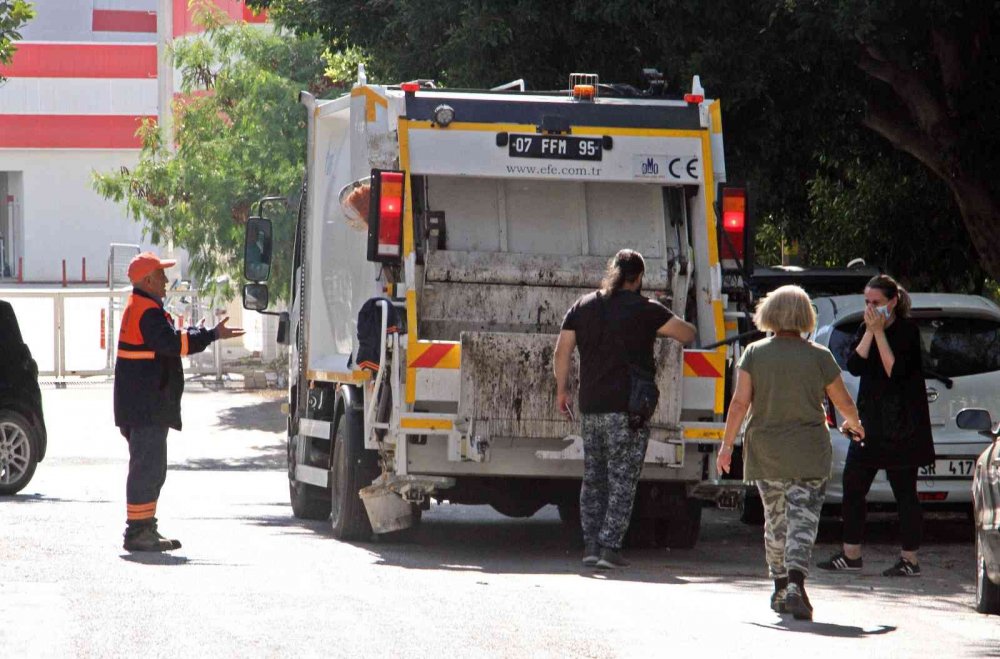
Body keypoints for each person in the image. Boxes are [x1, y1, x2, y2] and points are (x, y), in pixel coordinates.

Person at [717, 285, 864, 621]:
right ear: (804, 317)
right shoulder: (819, 356)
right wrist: (855, 424)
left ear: (769, 314)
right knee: (803, 520)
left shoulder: (754, 353)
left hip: (766, 451)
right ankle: (796, 584)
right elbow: (843, 403)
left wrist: (726, 447)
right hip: (809, 452)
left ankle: (780, 585)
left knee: (776, 519)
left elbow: (740, 403)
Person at [553, 249, 696, 570]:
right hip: (628, 410)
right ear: (639, 277)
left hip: (590, 407)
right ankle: (609, 548)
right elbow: (688, 334)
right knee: (622, 480)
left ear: (613, 272)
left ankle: (590, 545)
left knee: (594, 478)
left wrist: (562, 390)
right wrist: (661, 321)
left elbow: (562, 351)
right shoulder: (646, 309)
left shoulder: (583, 306)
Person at [114, 252, 245, 552]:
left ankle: (145, 527)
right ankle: (137, 532)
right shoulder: (145, 311)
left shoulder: (145, 308)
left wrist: (200, 333)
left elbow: (171, 337)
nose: (166, 280)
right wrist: (211, 335)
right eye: (160, 274)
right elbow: (173, 344)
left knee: (151, 468)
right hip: (145, 408)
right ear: (147, 280)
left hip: (143, 406)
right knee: (148, 468)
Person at [817, 274, 934, 577]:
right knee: (853, 485)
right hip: (871, 423)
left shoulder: (907, 332)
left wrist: (881, 334)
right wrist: (869, 332)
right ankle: (851, 553)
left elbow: (895, 371)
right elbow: (855, 365)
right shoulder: (863, 327)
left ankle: (910, 559)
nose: (871, 308)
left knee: (905, 493)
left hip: (902, 426)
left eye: (877, 303)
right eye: (867, 302)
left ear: (892, 302)